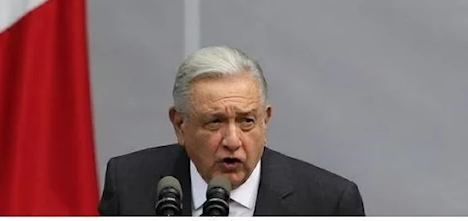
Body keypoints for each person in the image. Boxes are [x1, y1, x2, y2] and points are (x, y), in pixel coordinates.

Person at [98, 46, 365, 216]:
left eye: (246, 121)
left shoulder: (329, 204)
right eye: (214, 122)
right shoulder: (129, 185)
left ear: (265, 121)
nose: (233, 141)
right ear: (180, 125)